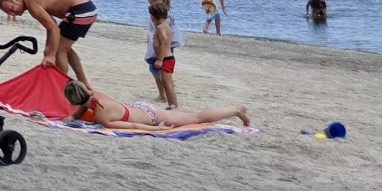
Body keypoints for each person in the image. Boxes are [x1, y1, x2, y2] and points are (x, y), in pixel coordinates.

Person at [0, 0, 98, 85]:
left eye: (11, 8)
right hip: (88, 9)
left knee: (59, 51)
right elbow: (52, 24)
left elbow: (53, 28)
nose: (13, 14)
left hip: (80, 11)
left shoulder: (32, 2)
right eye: (10, 13)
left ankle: (61, 86)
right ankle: (83, 82)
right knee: (64, 48)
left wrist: (51, 55)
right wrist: (48, 48)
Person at [62, 79, 248, 130]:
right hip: (141, 108)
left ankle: (235, 110)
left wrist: (156, 130)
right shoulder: (94, 95)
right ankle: (182, 111)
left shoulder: (101, 115)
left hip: (150, 117)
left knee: (198, 118)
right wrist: (72, 117)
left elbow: (132, 126)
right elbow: (82, 107)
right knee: (186, 114)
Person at [146, 0, 179, 108]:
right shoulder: (166, 25)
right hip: (168, 58)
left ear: (155, 16)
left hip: (165, 59)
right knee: (166, 84)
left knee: (168, 85)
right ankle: (171, 105)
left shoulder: (160, 28)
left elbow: (164, 42)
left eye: (151, 15)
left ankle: (173, 106)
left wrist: (160, 60)